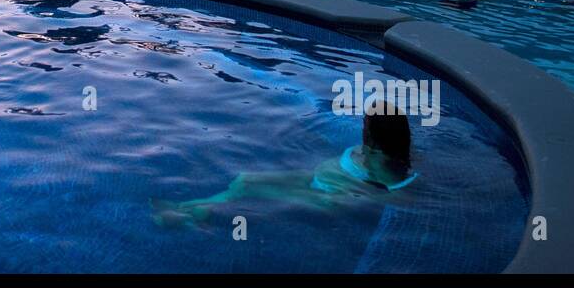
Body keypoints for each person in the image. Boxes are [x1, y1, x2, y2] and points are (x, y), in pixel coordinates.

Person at [151, 105, 415, 228]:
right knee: (246, 180)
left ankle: (191, 216)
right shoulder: (374, 150)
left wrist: (343, 194)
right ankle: (189, 206)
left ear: (376, 135)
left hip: (325, 197)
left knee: (258, 199)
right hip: (314, 179)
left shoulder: (383, 160)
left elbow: (384, 193)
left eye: (366, 124)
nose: (362, 126)